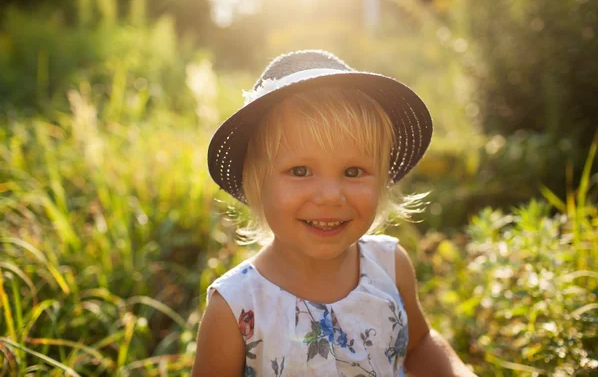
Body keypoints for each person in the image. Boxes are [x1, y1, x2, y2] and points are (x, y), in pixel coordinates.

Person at [193, 50, 476, 376]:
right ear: (257, 184)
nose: (330, 196)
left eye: (353, 172)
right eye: (300, 171)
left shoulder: (389, 267)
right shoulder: (236, 308)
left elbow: (420, 344)